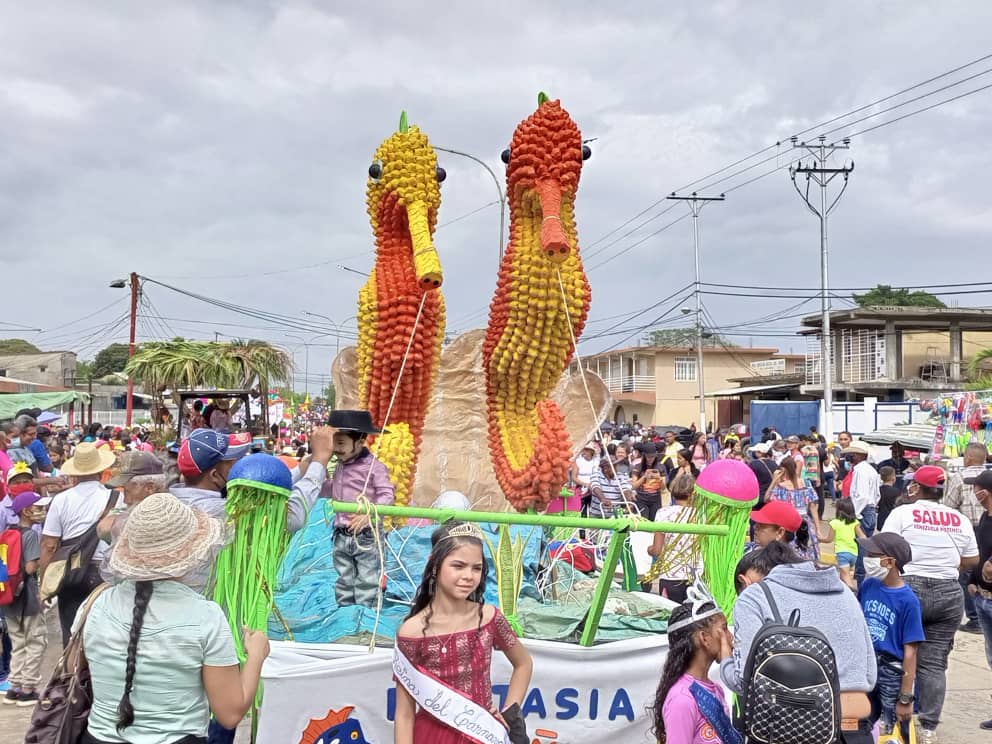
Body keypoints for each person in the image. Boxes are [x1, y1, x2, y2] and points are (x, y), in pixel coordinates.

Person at [82, 492, 269, 744]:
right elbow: (230, 713)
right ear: (193, 551)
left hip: (97, 738)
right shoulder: (205, 616)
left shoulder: (97, 604)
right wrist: (256, 654)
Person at [721, 543, 877, 744]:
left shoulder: (754, 596)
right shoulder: (845, 592)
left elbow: (743, 681)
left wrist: (725, 656)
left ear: (745, 581)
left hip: (792, 730)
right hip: (854, 731)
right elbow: (870, 673)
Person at [393, 521, 533, 743]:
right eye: (458, 566)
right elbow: (404, 714)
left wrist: (509, 712)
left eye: (476, 568)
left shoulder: (489, 617)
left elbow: (523, 663)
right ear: (435, 565)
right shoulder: (412, 632)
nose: (469, 576)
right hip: (432, 736)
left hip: (483, 732)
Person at [882, 464, 979, 742]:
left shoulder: (902, 513)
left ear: (916, 487)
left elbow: (885, 548)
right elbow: (972, 558)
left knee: (896, 655)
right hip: (948, 593)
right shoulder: (958, 518)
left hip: (908, 589)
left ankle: (893, 719)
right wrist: (949, 565)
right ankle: (927, 727)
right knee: (934, 663)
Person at [39, 441, 117, 646]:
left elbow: (49, 545)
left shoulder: (61, 500)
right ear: (100, 471)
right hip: (106, 573)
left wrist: (45, 582)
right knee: (104, 636)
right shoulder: (117, 498)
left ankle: (71, 664)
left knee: (71, 635)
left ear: (75, 473)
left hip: (72, 573)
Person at [323, 410, 395, 608]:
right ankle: (345, 616)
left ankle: (365, 618)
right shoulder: (340, 465)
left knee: (367, 582)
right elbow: (333, 489)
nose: (336, 449)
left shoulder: (374, 467)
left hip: (366, 536)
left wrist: (370, 513)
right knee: (344, 580)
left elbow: (387, 495)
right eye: (333, 443)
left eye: (341, 443)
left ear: (361, 442)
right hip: (342, 534)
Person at [857, 532, 924, 740]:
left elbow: (911, 652)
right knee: (862, 722)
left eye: (872, 555)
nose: (867, 558)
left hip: (892, 672)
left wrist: (905, 698)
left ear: (889, 562)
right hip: (867, 666)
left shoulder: (908, 601)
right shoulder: (868, 585)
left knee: (889, 727)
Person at [651, 587, 736, 744]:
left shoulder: (716, 690)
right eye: (724, 629)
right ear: (704, 638)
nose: (730, 637)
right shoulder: (682, 699)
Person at [1, 491, 50, 706]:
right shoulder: (29, 535)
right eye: (38, 507)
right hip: (27, 596)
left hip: (9, 596)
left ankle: (14, 687)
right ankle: (28, 689)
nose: (42, 510)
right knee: (36, 641)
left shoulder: (8, 532)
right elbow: (30, 567)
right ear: (26, 511)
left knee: (18, 642)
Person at [944, 441, 988, 633]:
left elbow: (948, 506)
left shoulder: (959, 478)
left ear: (968, 458)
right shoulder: (989, 477)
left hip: (967, 531)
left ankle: (975, 618)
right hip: (988, 526)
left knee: (967, 573)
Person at [963, 468, 992, 730]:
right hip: (983, 599)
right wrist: (972, 580)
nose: (974, 492)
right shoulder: (984, 517)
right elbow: (980, 552)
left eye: (976, 488)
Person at [647, 473, 699, 603]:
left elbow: (657, 550)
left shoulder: (663, 513)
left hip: (670, 575)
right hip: (695, 576)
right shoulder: (700, 515)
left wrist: (649, 550)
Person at [97, 451, 167, 543]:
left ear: (149, 488)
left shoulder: (162, 517)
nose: (125, 500)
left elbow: (105, 528)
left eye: (127, 491)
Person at [765, 456, 822, 561]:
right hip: (805, 522)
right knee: (807, 551)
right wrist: (818, 529)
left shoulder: (781, 487)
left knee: (790, 553)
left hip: (789, 522)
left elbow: (767, 499)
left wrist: (774, 481)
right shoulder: (806, 483)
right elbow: (813, 508)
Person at [748, 499, 814, 560]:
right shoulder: (749, 549)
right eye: (756, 523)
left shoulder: (793, 563)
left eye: (762, 525)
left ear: (780, 532)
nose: (755, 527)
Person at [831, 498, 867, 588]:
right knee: (843, 577)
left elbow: (829, 539)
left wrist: (820, 539)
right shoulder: (854, 522)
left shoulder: (834, 523)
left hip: (841, 553)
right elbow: (863, 537)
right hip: (854, 554)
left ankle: (853, 592)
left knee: (846, 577)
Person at [630, 442, 666, 519]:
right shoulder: (638, 467)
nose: (650, 459)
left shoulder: (661, 467)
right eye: (648, 457)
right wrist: (644, 477)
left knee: (654, 520)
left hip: (656, 500)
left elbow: (663, 488)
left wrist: (659, 478)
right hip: (641, 499)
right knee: (643, 520)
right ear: (644, 456)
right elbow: (633, 486)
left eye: (653, 457)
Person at [570, 442, 598, 517]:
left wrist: (592, 485)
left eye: (587, 450)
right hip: (580, 489)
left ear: (591, 452)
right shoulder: (578, 461)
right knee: (580, 509)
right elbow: (574, 477)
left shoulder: (596, 462)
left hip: (593, 488)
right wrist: (585, 484)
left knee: (591, 510)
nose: (584, 451)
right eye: (584, 449)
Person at [877, 465, 900, 532]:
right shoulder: (896, 492)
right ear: (893, 477)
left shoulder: (878, 490)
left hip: (880, 519)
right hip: (892, 519)